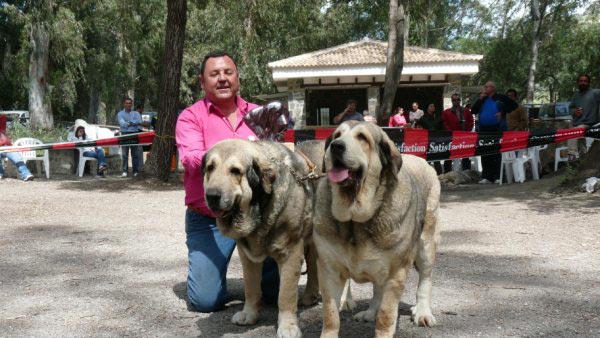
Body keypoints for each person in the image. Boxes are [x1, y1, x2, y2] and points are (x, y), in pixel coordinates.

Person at [175, 51, 279, 313]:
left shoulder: (260, 114)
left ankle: (265, 275)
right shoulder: (190, 117)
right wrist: (231, 154)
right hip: (208, 218)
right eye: (214, 74)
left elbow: (274, 162)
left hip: (257, 217)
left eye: (228, 72)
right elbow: (190, 159)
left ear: (238, 78)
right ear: (202, 81)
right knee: (206, 302)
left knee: (277, 294)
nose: (222, 79)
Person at [471, 81, 517, 184]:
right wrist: (480, 99)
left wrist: (503, 112)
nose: (485, 88)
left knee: (496, 152)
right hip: (483, 130)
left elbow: (514, 105)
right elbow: (473, 111)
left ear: (492, 88)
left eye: (486, 87)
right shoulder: (482, 99)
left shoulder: (501, 98)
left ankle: (497, 176)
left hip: (497, 128)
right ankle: (486, 176)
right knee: (485, 151)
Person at [567, 74, 600, 161]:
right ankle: (583, 156)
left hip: (590, 123)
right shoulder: (576, 95)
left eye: (585, 81)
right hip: (577, 123)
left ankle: (572, 155)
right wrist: (575, 111)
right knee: (577, 134)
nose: (583, 83)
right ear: (577, 83)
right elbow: (570, 108)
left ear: (588, 83)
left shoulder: (595, 93)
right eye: (581, 81)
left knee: (573, 132)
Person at [441, 95, 474, 173]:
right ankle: (448, 173)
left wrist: (467, 131)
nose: (456, 101)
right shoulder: (446, 112)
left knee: (465, 155)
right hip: (451, 137)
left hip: (464, 136)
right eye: (454, 100)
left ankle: (467, 172)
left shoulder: (466, 111)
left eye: (458, 99)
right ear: (452, 101)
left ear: (460, 100)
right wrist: (451, 133)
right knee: (449, 155)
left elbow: (471, 121)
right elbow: (445, 123)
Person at [0, 114, 34, 181]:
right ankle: (0, 174)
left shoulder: (1, 126)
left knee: (17, 157)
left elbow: (3, 116)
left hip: (7, 146)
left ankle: (26, 174)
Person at [117, 97, 143, 177]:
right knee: (124, 154)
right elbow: (122, 124)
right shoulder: (120, 114)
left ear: (131, 104)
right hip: (124, 134)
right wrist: (132, 123)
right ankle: (125, 171)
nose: (128, 104)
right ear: (124, 104)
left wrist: (129, 123)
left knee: (135, 154)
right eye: (127, 103)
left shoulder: (136, 113)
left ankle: (135, 171)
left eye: (130, 103)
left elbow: (139, 121)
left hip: (134, 134)